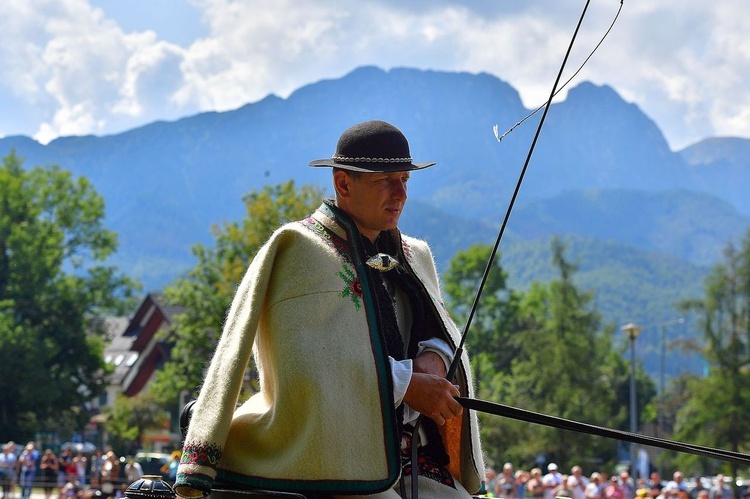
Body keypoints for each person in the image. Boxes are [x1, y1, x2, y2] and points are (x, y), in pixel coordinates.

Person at [174, 120, 484, 498]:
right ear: (343, 184)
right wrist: (405, 385)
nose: (400, 193)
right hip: (331, 458)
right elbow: (304, 365)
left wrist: (435, 357)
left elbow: (439, 329)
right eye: (384, 180)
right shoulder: (299, 250)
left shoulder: (414, 254)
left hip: (412, 460)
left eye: (404, 179)